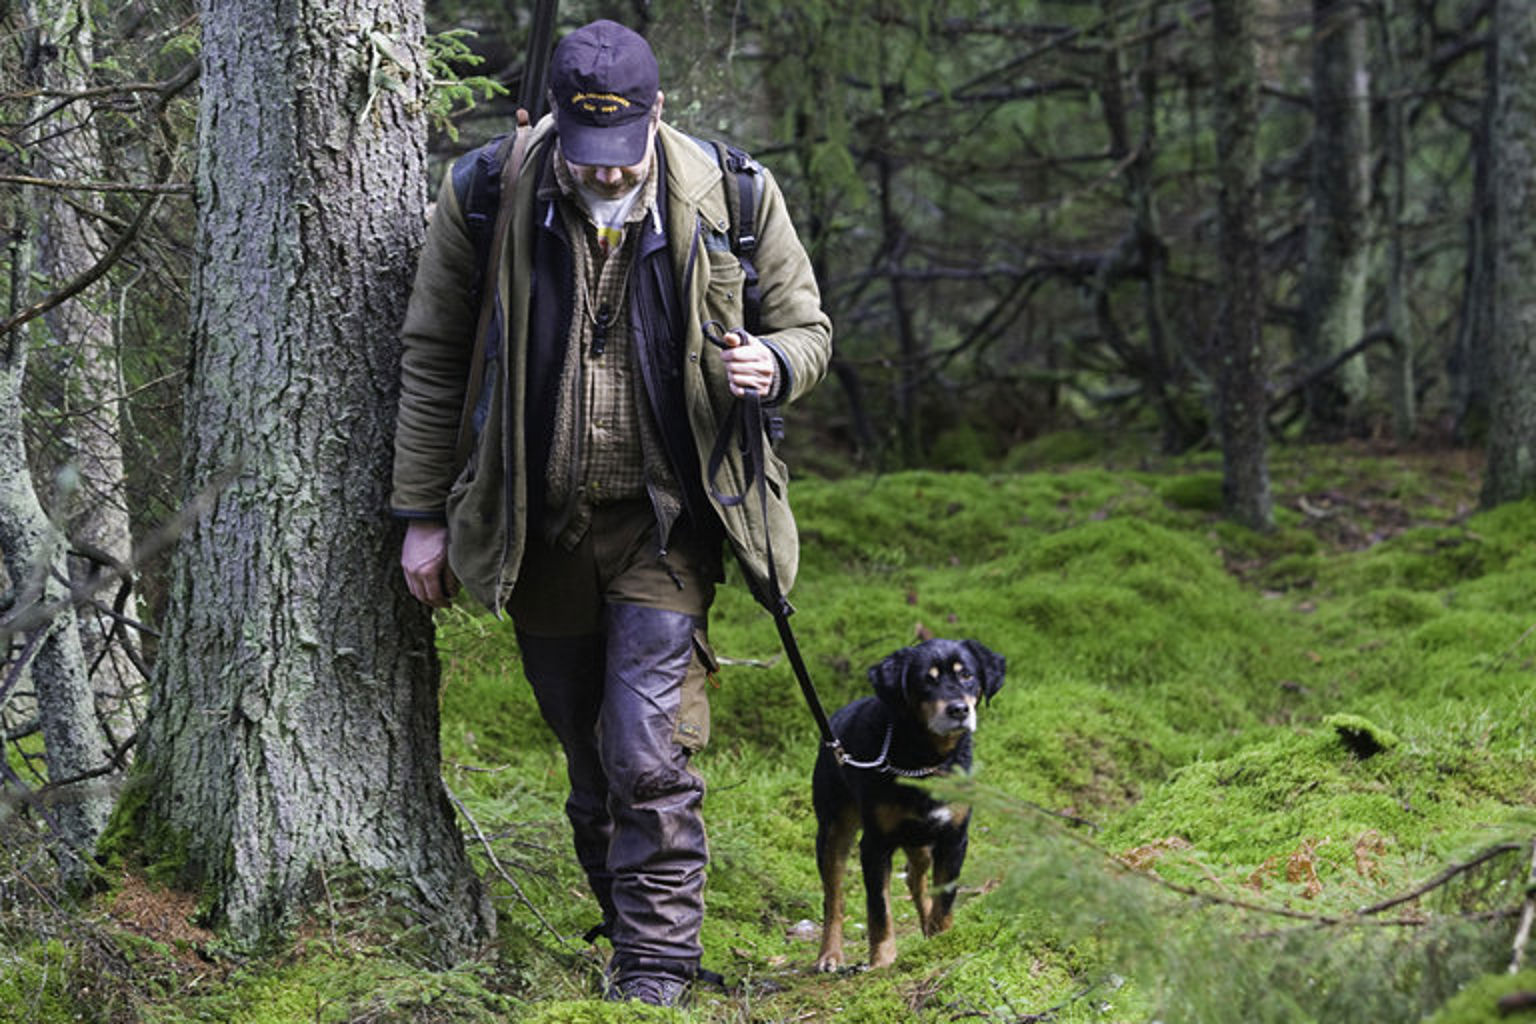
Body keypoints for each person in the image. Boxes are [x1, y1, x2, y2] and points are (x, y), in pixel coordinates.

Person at [389, 19, 832, 1008]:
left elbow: (809, 328)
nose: (603, 176)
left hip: (667, 523)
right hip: (534, 524)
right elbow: (430, 354)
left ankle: (656, 973)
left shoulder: (734, 194)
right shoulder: (487, 194)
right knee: (591, 763)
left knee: (644, 748)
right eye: (584, 159)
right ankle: (624, 924)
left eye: (620, 155)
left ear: (657, 113)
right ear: (552, 121)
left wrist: (777, 364)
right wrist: (421, 511)